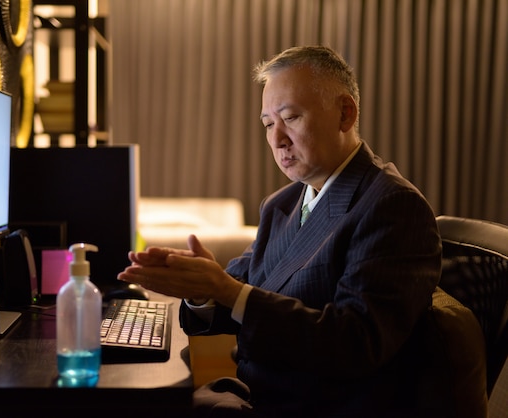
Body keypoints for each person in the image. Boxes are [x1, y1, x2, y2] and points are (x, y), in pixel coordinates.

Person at [118, 45, 442, 417]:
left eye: (291, 118)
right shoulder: (283, 205)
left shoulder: (391, 206)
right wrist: (201, 291)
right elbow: (239, 293)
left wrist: (226, 290)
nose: (277, 139)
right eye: (269, 124)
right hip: (255, 394)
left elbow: (357, 344)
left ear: (345, 113)